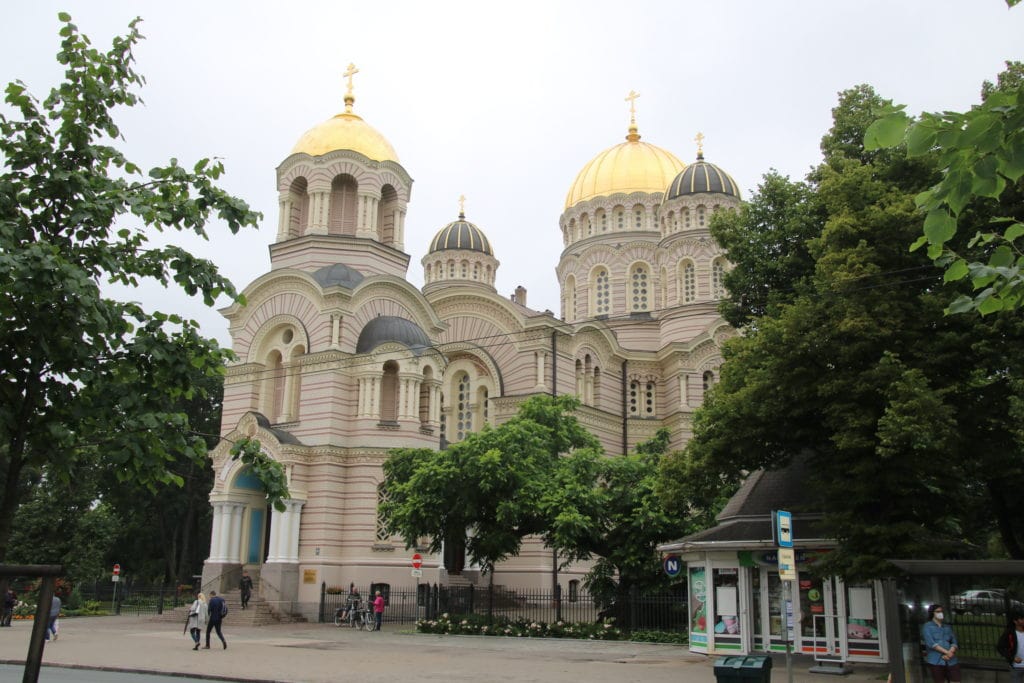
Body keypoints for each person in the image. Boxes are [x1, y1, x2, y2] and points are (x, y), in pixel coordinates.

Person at [922, 604, 960, 683]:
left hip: (951, 660)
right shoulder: (927, 627)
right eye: (938, 611)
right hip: (936, 660)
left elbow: (954, 641)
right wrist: (947, 653)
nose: (940, 613)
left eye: (942, 611)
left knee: (956, 680)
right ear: (932, 613)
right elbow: (931, 643)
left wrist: (950, 652)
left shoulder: (947, 627)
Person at [996, 609, 1024, 683]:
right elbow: (1000, 647)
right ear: (1015, 621)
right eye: (1021, 619)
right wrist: (1012, 658)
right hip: (1016, 667)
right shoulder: (1009, 633)